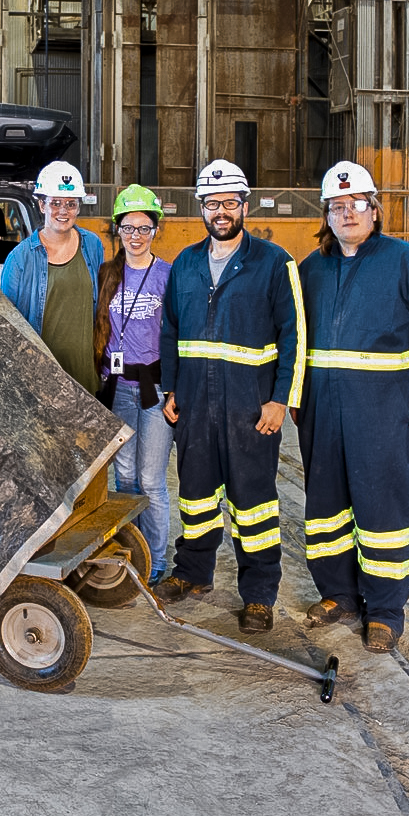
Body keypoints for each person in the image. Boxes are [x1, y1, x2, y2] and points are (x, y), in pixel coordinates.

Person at [295, 160, 409, 653]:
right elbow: (294, 339)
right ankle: (338, 593)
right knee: (326, 506)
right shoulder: (310, 269)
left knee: (384, 505)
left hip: (384, 410)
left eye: (356, 204)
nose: (347, 214)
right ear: (327, 215)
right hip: (321, 407)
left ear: (375, 210)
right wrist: (296, 394)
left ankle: (384, 610)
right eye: (337, 207)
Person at [155, 159, 306, 633]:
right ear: (201, 209)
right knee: (195, 496)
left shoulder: (273, 262)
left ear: (244, 205)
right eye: (212, 203)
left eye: (229, 203)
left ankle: (259, 595)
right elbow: (170, 330)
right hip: (196, 402)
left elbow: (293, 335)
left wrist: (280, 399)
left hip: (250, 406)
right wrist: (172, 389)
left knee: (253, 503)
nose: (221, 211)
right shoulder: (186, 263)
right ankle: (192, 573)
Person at [94, 184, 173, 585]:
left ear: (155, 231)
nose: (136, 236)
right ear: (117, 230)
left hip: (154, 390)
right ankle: (132, 552)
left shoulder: (167, 276)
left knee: (151, 480)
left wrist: (177, 389)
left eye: (144, 228)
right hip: (118, 387)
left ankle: (156, 561)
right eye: (129, 227)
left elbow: (177, 335)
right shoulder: (107, 274)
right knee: (124, 479)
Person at [1, 160, 103, 394]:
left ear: (78, 207)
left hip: (85, 375)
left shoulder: (93, 245)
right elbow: (6, 324)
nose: (63, 211)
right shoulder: (20, 257)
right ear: (41, 205)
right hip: (39, 378)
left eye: (70, 204)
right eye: (55, 203)